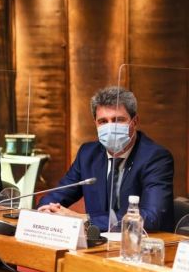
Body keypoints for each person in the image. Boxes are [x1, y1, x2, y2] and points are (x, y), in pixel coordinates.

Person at [38, 86, 174, 231]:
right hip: (97, 244)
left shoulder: (155, 158)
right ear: (95, 123)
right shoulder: (88, 154)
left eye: (118, 120)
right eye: (103, 121)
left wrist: (85, 220)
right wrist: (48, 210)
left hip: (142, 245)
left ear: (134, 122)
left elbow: (151, 217)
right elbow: (58, 194)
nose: (111, 127)